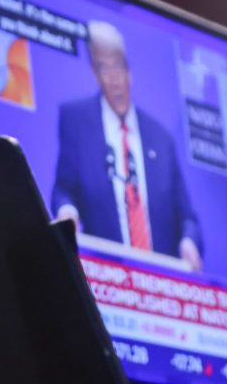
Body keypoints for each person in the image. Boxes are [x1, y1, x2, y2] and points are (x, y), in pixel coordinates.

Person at [51, 20, 203, 270]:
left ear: (129, 72)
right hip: (106, 277)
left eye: (119, 67)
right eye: (104, 69)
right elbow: (63, 189)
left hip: (160, 280)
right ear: (94, 73)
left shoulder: (161, 139)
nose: (115, 80)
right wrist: (68, 212)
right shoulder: (75, 122)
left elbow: (188, 218)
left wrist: (189, 242)